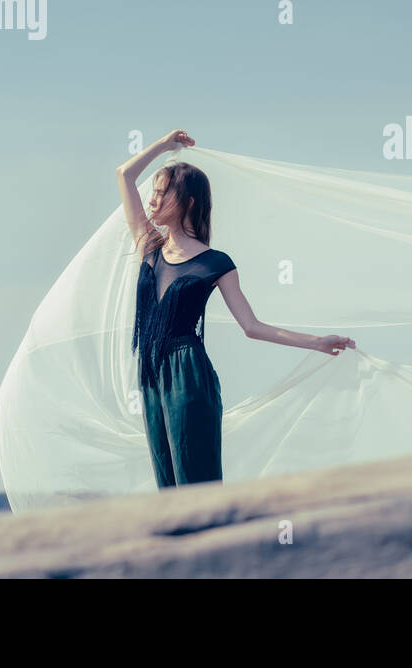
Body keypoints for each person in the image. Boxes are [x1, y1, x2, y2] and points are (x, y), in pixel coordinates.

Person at [116, 129, 356, 488]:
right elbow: (124, 175)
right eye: (154, 193)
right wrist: (165, 146)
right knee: (165, 485)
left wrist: (316, 342)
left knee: (195, 479)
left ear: (188, 202)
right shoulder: (148, 245)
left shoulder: (216, 263)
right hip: (150, 371)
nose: (152, 201)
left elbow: (252, 326)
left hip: (188, 373)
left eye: (162, 193)